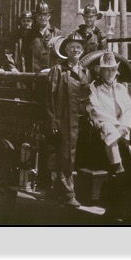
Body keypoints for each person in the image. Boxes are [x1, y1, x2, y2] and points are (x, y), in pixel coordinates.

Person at [46, 32, 91, 208]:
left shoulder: (85, 72)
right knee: (64, 157)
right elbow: (49, 98)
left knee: (76, 156)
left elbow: (87, 97)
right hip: (63, 121)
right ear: (66, 49)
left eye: (79, 47)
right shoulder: (58, 70)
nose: (76, 49)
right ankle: (67, 192)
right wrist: (53, 121)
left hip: (80, 121)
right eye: (72, 46)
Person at [86, 51, 131, 176]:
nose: (110, 73)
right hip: (104, 122)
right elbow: (95, 109)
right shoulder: (94, 87)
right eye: (107, 70)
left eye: (113, 70)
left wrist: (124, 124)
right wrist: (117, 124)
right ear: (101, 71)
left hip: (122, 123)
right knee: (109, 129)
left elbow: (129, 108)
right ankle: (118, 166)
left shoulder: (121, 87)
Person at [21, 1, 62, 72]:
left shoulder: (57, 34)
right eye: (39, 15)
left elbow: (61, 58)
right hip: (32, 77)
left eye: (45, 15)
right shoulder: (28, 34)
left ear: (49, 16)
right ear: (36, 16)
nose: (42, 18)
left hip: (51, 77)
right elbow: (23, 56)